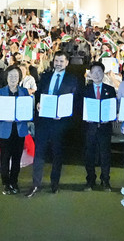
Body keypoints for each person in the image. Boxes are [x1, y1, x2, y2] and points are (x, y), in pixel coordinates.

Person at [26, 52, 78, 197]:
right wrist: (37, 103)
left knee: (57, 154)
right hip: (43, 121)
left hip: (60, 123)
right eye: (56, 61)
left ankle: (55, 184)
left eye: (61, 61)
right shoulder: (45, 76)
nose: (58, 63)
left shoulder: (72, 79)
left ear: (67, 63)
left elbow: (75, 101)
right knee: (39, 153)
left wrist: (64, 113)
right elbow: (38, 93)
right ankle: (35, 184)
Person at [0, 66, 31, 195]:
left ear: (19, 78)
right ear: (6, 77)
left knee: (16, 158)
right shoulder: (1, 92)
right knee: (5, 157)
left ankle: (14, 182)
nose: (13, 78)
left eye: (16, 76)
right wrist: (2, 117)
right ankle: (6, 183)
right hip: (4, 129)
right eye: (11, 76)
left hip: (19, 129)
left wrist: (26, 115)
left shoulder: (24, 91)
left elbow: (28, 109)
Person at [82, 61, 116, 191]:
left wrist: (110, 117)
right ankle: (90, 180)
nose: (96, 75)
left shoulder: (110, 89)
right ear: (90, 74)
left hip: (105, 127)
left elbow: (113, 108)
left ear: (103, 73)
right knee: (89, 154)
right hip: (89, 127)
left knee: (105, 154)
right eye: (94, 72)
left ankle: (105, 180)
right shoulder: (85, 90)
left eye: (99, 72)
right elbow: (80, 108)